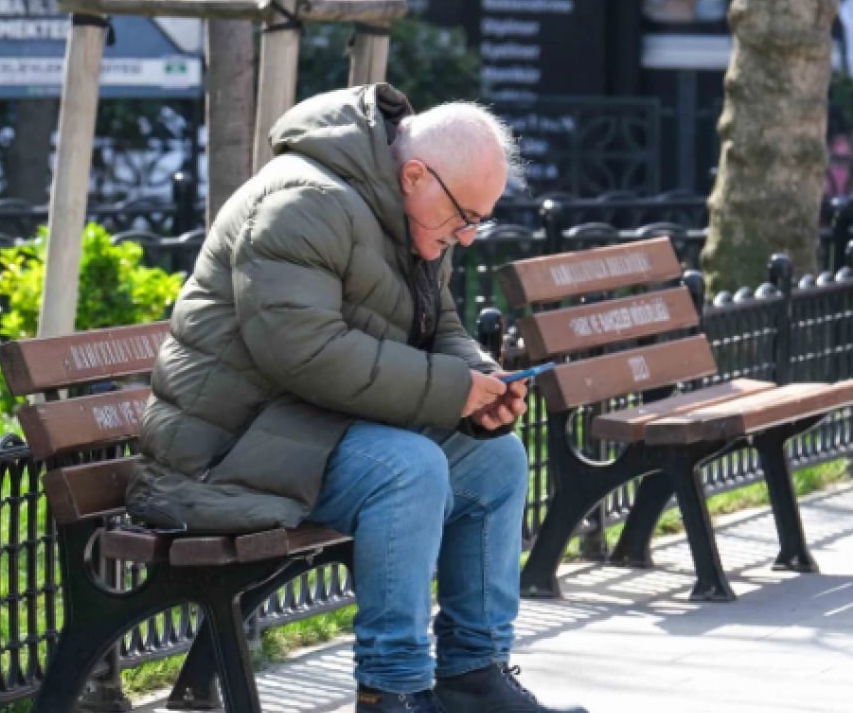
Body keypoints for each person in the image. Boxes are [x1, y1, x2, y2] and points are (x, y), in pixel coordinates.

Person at [127, 83, 589, 713]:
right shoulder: (302, 201)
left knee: (495, 461)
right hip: (223, 453)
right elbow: (305, 351)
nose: (471, 235)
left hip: (306, 433)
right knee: (408, 470)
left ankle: (473, 675)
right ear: (418, 174)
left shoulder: (413, 214)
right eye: (467, 217)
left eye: (481, 220)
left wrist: (479, 383)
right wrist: (451, 390)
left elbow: (442, 327)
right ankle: (392, 688)